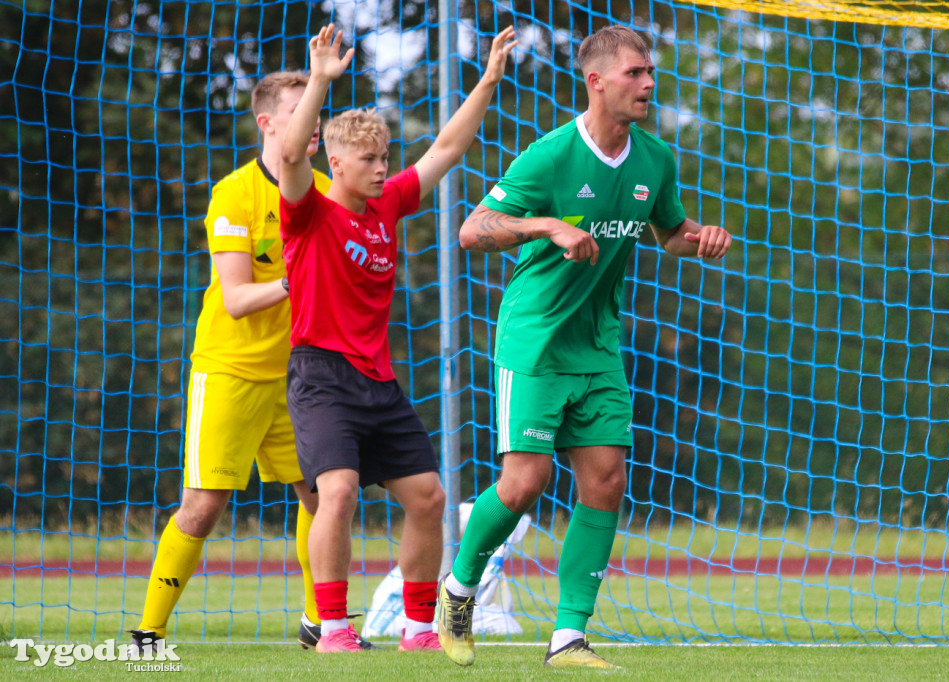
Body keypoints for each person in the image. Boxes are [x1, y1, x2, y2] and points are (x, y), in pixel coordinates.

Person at [437, 25, 732, 669]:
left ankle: (568, 636)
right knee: (524, 484)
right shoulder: (548, 156)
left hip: (598, 345)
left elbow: (669, 233)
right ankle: (458, 590)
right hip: (535, 341)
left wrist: (701, 237)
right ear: (596, 81)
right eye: (634, 73)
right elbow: (471, 229)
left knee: (606, 480)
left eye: (650, 71)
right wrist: (546, 225)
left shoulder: (655, 159)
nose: (649, 83)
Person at [276, 24, 516, 654]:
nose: (383, 169)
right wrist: (321, 79)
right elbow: (292, 154)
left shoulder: (388, 205)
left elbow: (446, 147)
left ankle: (417, 629)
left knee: (430, 498)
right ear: (338, 165)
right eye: (369, 161)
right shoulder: (308, 212)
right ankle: (332, 629)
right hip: (321, 376)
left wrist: (487, 79)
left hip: (378, 380)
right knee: (339, 491)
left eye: (385, 158)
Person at [128, 71, 331, 653]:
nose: (313, 121)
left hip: (298, 375)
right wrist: (299, 281)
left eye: (317, 110)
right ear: (266, 123)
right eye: (300, 110)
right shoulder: (235, 193)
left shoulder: (321, 191)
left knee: (323, 494)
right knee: (203, 506)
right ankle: (149, 634)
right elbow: (238, 299)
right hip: (230, 371)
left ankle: (322, 624)